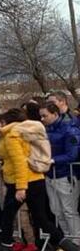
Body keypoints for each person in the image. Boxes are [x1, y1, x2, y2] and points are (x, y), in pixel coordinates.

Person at [0, 110, 80, 251]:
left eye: (2, 122)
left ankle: (4, 248)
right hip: (34, 179)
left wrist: (21, 187)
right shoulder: (23, 132)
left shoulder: (12, 136)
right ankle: (71, 249)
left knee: (9, 216)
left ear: (8, 122)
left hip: (21, 181)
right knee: (40, 219)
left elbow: (20, 162)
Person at [39, 103, 80, 240]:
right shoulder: (46, 130)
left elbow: (72, 154)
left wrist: (52, 160)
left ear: (55, 114)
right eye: (41, 116)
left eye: (45, 115)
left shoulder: (70, 129)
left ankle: (76, 240)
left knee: (69, 211)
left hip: (65, 175)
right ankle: (68, 239)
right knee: (56, 210)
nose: (42, 119)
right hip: (50, 175)